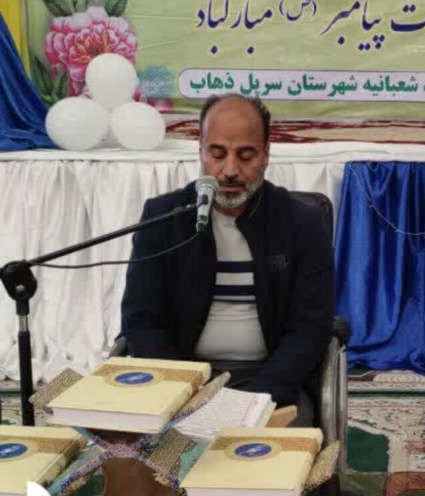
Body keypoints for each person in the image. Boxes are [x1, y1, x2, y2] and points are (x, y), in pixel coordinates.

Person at [119, 94, 333, 426]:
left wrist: (252, 400)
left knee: (266, 451)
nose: (230, 170)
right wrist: (182, 392)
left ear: (266, 155)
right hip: (185, 380)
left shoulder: (302, 223)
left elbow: (310, 328)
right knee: (134, 447)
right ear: (201, 151)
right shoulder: (163, 217)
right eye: (217, 154)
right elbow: (142, 320)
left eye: (245, 155)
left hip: (270, 383)